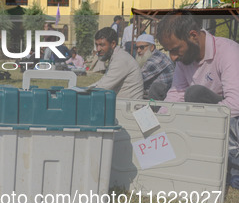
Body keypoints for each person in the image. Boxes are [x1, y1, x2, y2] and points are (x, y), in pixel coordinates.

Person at [156, 10, 239, 188]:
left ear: (193, 35)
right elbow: (176, 94)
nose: (173, 57)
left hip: (233, 124)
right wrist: (160, 123)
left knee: (194, 94)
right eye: (169, 51)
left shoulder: (228, 52)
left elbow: (234, 104)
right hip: (211, 120)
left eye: (176, 49)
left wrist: (195, 123)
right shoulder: (184, 59)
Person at [90, 27, 143, 99]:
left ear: (113, 44)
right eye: (97, 45)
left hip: (128, 108)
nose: (98, 49)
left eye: (102, 45)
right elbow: (102, 83)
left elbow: (102, 87)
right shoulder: (116, 57)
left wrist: (81, 91)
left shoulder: (120, 59)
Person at [134, 33, 175, 100]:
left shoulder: (155, 61)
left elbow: (135, 80)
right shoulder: (154, 55)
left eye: (142, 47)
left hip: (163, 97)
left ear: (152, 47)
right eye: (137, 48)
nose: (138, 51)